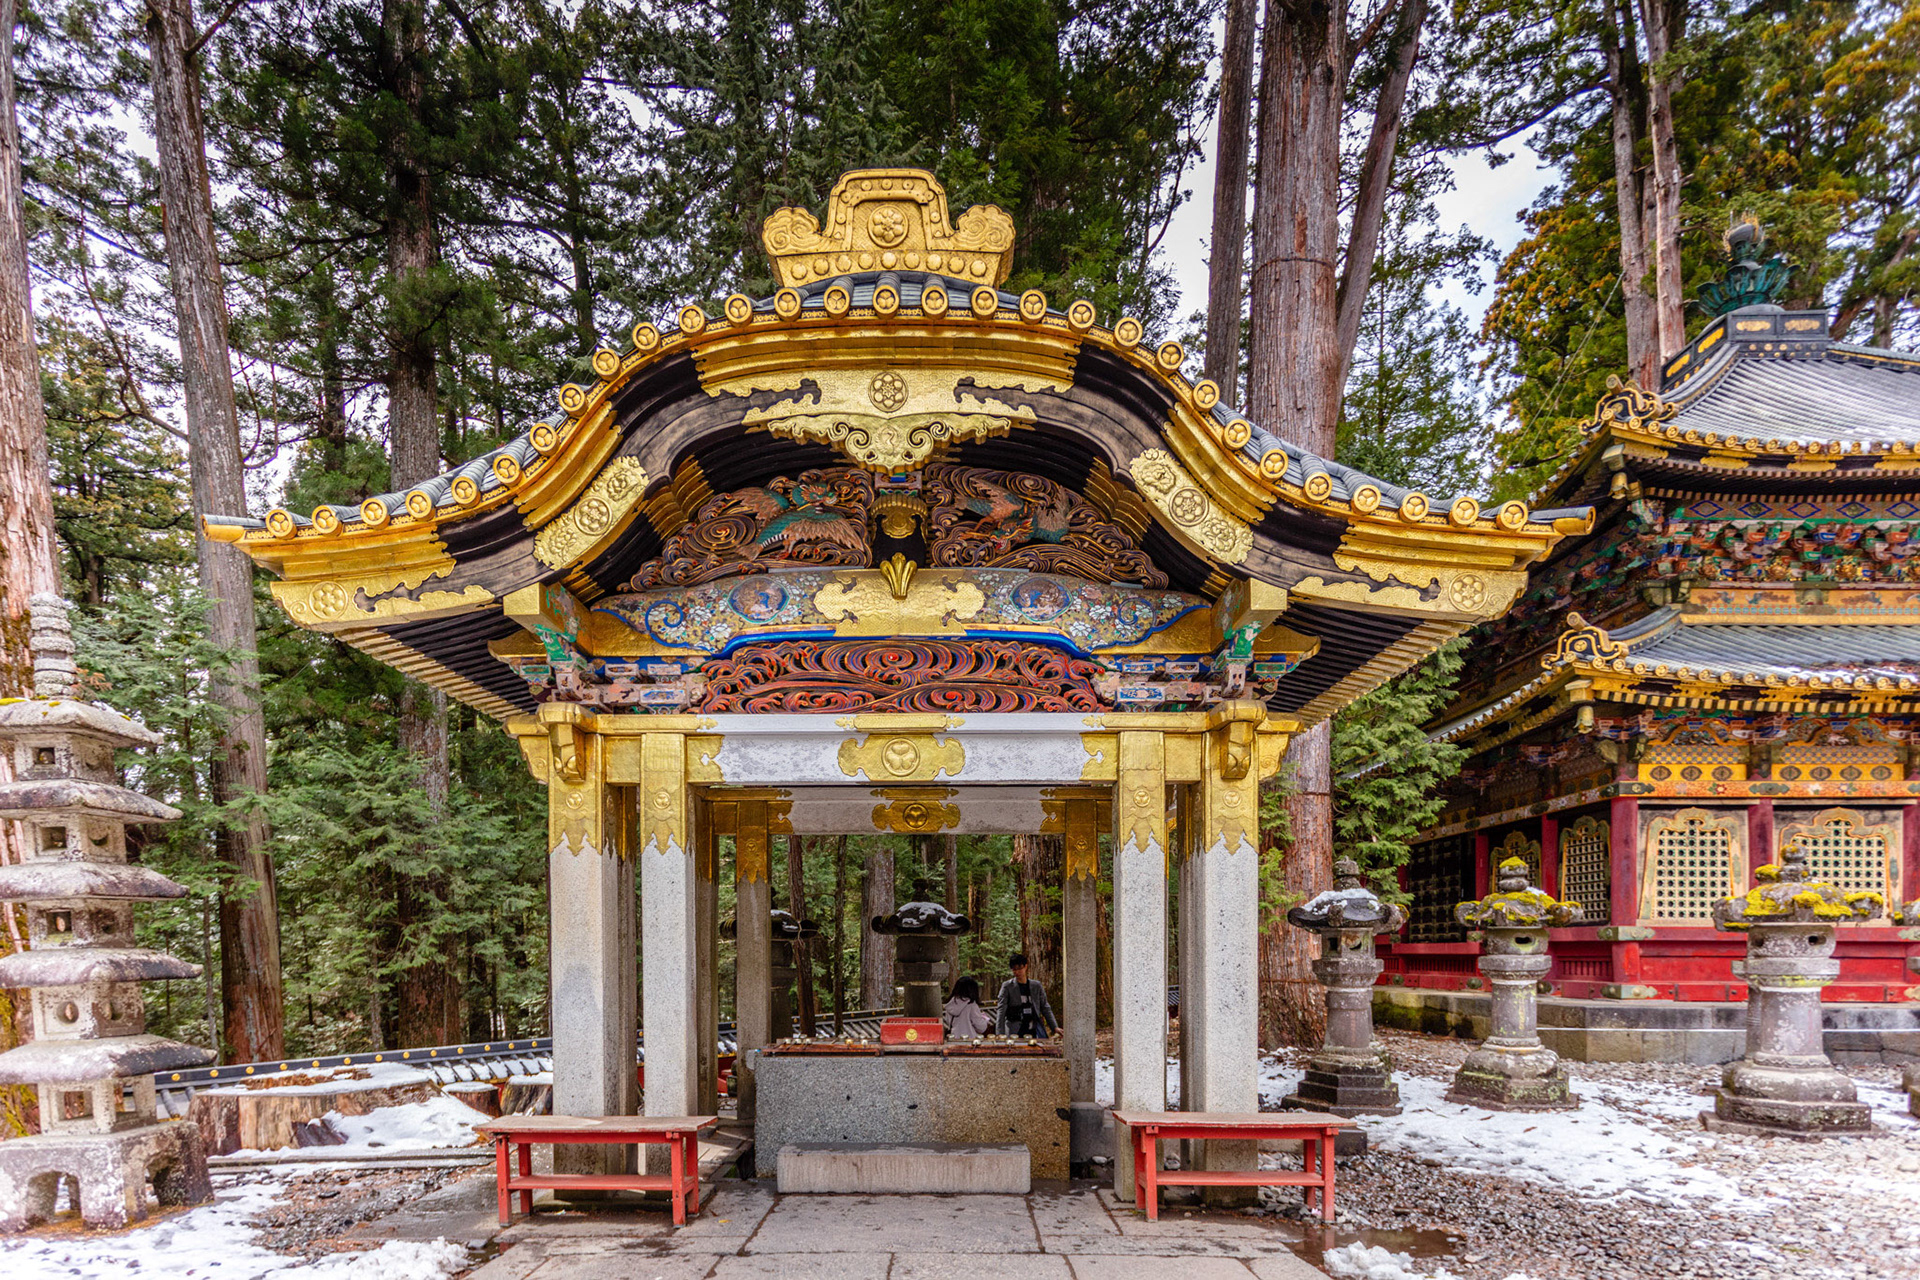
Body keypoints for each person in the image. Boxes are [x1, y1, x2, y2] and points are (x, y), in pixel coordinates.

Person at [994, 952, 1059, 1038]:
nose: (1017, 972)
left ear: (1025, 966)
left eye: (1019, 968)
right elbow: (1001, 1011)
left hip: (1034, 1029)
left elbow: (1045, 1007)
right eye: (1014, 969)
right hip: (1015, 1030)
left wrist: (1054, 1027)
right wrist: (1000, 1034)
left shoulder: (1036, 986)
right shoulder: (1007, 987)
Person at [942, 975, 992, 1040]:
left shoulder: (951, 1003)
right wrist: (984, 1020)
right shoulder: (971, 1005)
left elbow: (949, 1023)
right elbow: (981, 1028)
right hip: (969, 1040)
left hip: (953, 1039)